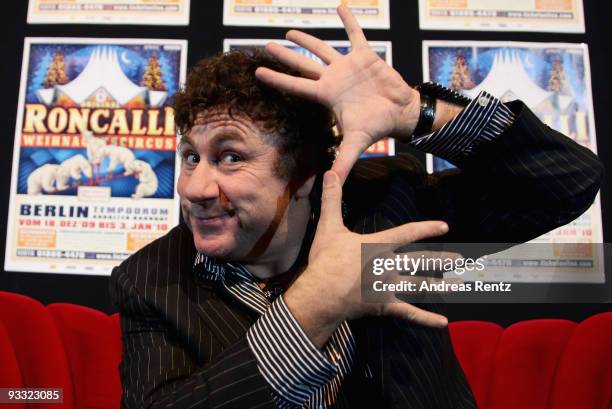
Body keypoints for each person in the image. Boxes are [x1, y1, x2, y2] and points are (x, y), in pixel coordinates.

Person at [109, 6, 603, 409]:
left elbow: (566, 182)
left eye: (230, 157)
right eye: (191, 156)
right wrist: (313, 308)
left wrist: (417, 113)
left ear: (303, 175)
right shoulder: (150, 280)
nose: (194, 188)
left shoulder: (386, 205)